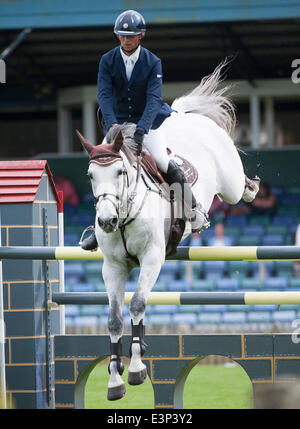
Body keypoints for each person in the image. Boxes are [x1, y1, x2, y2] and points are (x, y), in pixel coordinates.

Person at [81, 9, 205, 250]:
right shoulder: (107, 60)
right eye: (122, 35)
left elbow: (153, 99)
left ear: (141, 36)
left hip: (148, 122)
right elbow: (104, 96)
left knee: (162, 160)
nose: (126, 40)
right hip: (116, 123)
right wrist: (114, 125)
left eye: (132, 35)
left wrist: (140, 131)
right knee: (102, 167)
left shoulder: (152, 61)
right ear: (117, 36)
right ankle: (98, 228)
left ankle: (193, 210)